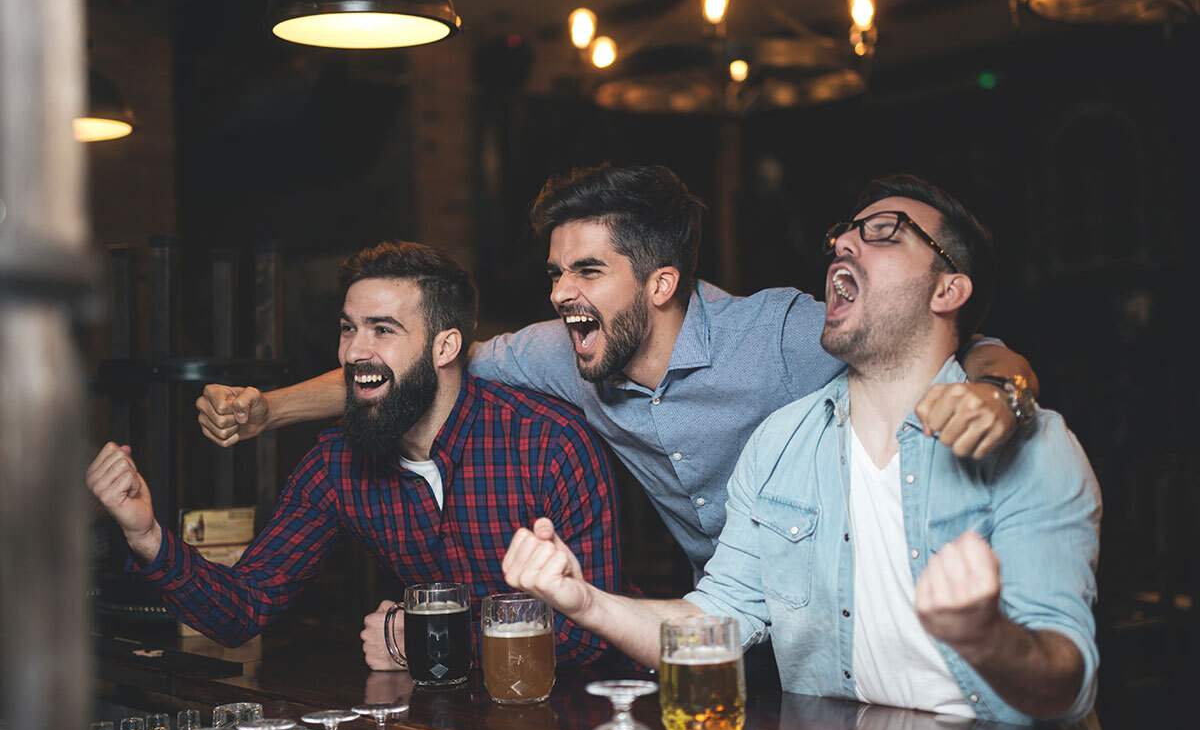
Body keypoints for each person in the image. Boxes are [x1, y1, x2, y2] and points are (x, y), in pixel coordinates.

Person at [195, 165, 1037, 576]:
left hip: (862, 603)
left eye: (587, 272)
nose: (560, 292)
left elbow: (949, 342)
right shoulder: (561, 352)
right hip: (731, 622)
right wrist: (270, 410)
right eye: (556, 271)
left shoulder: (777, 331)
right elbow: (408, 364)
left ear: (661, 282)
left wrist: (1001, 390)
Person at [502, 175, 1101, 725]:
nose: (843, 242)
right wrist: (583, 601)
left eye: (885, 234)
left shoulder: (1035, 446)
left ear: (948, 289)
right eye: (842, 233)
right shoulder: (777, 448)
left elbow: (1065, 686)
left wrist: (985, 636)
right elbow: (715, 619)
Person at [87, 241, 626, 668]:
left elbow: (591, 636)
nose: (353, 351)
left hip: (581, 723)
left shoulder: (549, 445)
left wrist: (427, 636)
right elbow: (242, 609)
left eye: (382, 330)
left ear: (445, 346)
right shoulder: (338, 465)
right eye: (348, 328)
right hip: (445, 727)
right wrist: (145, 535)